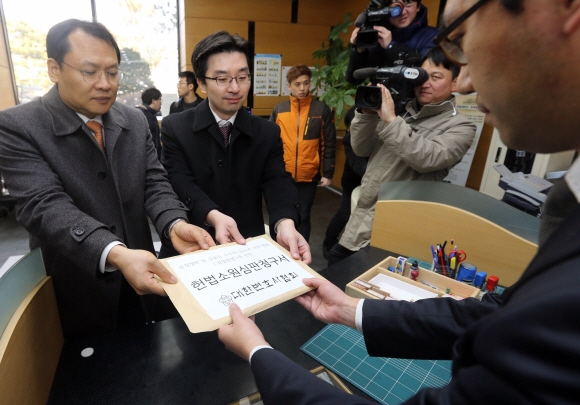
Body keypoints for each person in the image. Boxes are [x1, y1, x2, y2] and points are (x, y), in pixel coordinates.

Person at [218, 0, 580, 403]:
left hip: (389, 226)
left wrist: (259, 354)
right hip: (362, 215)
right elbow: (495, 312)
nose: (466, 83)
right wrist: (352, 311)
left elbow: (429, 157)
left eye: (463, 42)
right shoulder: (568, 220)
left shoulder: (455, 123)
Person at [0, 19, 215, 339]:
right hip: (78, 285)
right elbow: (44, 206)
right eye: (90, 72)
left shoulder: (134, 120)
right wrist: (114, 252)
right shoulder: (19, 126)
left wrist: (174, 224)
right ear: (54, 68)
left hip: (143, 274)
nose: (104, 83)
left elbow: (154, 182)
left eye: (113, 72)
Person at [159, 31, 310, 264]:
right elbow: (179, 180)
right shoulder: (175, 126)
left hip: (247, 245)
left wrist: (284, 222)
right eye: (222, 79)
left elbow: (277, 180)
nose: (235, 88)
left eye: (242, 77)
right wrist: (213, 215)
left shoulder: (267, 132)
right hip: (193, 244)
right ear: (201, 83)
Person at [329, 47, 476, 265]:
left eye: (436, 77)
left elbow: (428, 158)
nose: (426, 83)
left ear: (455, 83)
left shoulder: (462, 125)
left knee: (365, 288)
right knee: (335, 268)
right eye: (423, 76)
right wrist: (366, 115)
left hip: (397, 229)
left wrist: (391, 120)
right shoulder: (401, 111)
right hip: (362, 219)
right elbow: (361, 148)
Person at [270, 65, 336, 241]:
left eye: (306, 83)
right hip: (283, 174)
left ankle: (301, 251)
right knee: (281, 215)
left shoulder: (321, 109)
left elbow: (328, 143)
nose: (302, 88)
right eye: (297, 84)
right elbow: (270, 143)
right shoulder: (279, 109)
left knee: (304, 215)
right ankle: (281, 251)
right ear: (289, 86)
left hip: (309, 175)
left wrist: (328, 172)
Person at [346, 0, 438, 85]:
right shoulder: (377, 34)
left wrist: (391, 46)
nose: (402, 12)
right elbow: (354, 79)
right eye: (395, 6)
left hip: (412, 101)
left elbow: (427, 74)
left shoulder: (432, 36)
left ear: (418, 6)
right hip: (379, 98)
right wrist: (359, 52)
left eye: (408, 3)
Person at [322, 106, 368, 260]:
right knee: (345, 214)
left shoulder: (374, 136)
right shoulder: (350, 139)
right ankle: (329, 242)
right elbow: (358, 166)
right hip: (353, 183)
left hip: (368, 186)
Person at [137, 87, 162, 159]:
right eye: (160, 99)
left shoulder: (152, 114)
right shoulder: (141, 115)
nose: (161, 103)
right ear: (154, 101)